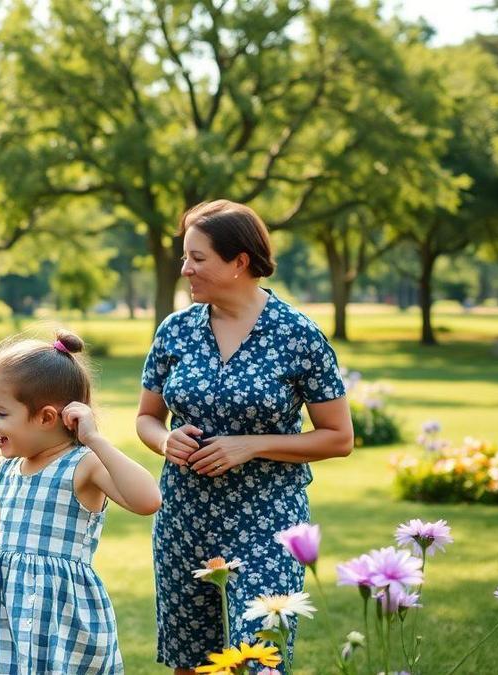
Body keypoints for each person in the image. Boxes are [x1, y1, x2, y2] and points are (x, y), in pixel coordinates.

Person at [135, 200, 354, 674]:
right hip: (183, 517)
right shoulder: (175, 330)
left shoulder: (298, 335)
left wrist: (251, 444)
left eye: (198, 258)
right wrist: (162, 441)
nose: (186, 269)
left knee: (258, 657)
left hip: (266, 519)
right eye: (184, 257)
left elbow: (338, 437)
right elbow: (147, 418)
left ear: (240, 262)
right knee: (190, 660)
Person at [0, 331, 162, 674]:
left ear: (47, 418)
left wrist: (95, 439)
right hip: (7, 611)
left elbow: (148, 500)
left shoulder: (84, 464)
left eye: (1, 413)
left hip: (63, 614)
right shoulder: (4, 468)